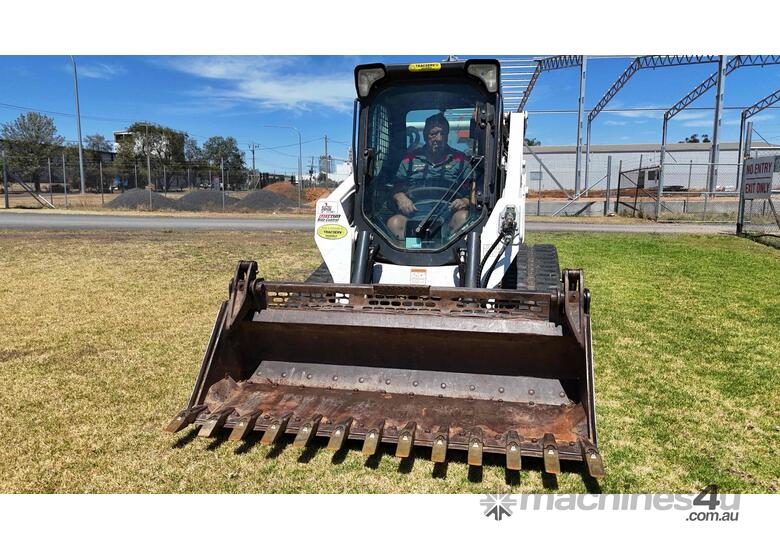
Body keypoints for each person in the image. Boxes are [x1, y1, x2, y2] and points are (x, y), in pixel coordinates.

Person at [386, 113, 474, 241]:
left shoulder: (460, 160)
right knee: (395, 223)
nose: (438, 138)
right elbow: (396, 189)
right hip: (414, 215)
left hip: (449, 216)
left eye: (443, 134)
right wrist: (400, 198)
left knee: (463, 218)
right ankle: (410, 253)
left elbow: (472, 192)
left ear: (447, 136)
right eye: (433, 133)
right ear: (425, 135)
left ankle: (454, 256)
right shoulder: (409, 160)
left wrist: (464, 202)